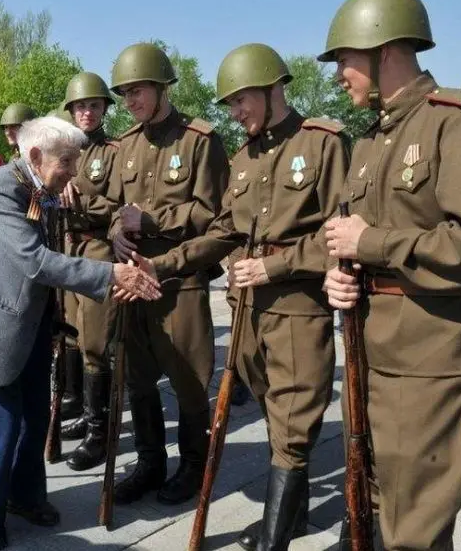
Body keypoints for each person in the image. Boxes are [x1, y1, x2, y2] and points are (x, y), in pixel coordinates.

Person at [317, 0, 461, 550]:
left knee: (414, 531)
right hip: (377, 350)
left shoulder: (457, 123)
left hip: (432, 356)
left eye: (344, 60)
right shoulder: (373, 140)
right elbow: (357, 238)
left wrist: (371, 243)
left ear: (385, 52)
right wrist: (344, 271)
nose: (338, 75)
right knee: (389, 510)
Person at [132, 42, 351, 549]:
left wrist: (273, 266)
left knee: (295, 419)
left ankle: (275, 537)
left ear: (273, 89)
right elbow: (224, 231)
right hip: (247, 306)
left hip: (296, 306)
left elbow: (340, 233)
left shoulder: (322, 143)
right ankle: (293, 515)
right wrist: (162, 264)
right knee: (275, 413)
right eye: (228, 104)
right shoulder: (245, 157)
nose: (235, 113)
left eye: (241, 101)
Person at [0, 115, 161, 550]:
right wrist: (110, 276)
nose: (73, 171)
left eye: (76, 160)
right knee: (2, 424)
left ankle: (25, 497)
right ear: (34, 156)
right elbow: (36, 261)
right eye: (66, 161)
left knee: (34, 418)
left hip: (27, 326)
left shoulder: (37, 190)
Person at [107, 42, 229, 506]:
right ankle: (149, 463)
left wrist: (152, 219)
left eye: (137, 91)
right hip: (134, 280)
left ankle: (193, 468)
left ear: (161, 87)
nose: (130, 101)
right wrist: (118, 230)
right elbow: (120, 207)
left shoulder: (200, 140)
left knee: (189, 382)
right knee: (138, 380)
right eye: (124, 94)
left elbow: (216, 216)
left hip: (181, 284)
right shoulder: (126, 145)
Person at [56, 72, 121, 472]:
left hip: (97, 249)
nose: (86, 112)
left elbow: (119, 203)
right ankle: (84, 409)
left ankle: (100, 431)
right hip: (68, 247)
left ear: (103, 110)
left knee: (97, 342)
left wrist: (79, 201)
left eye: (94, 105)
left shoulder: (114, 150)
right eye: (80, 106)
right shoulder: (65, 150)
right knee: (74, 335)